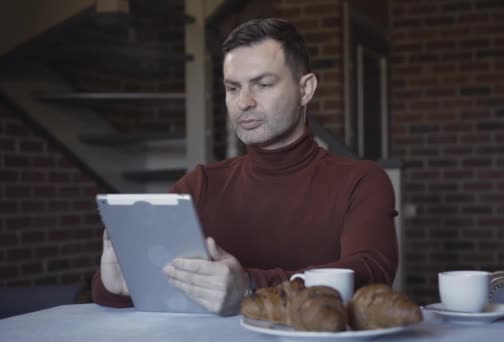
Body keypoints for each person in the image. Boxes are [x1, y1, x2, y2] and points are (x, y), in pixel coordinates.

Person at [91, 18, 398, 316]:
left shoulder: (362, 180)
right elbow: (149, 291)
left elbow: (370, 272)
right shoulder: (199, 185)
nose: (244, 102)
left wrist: (251, 285)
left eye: (262, 84)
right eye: (233, 88)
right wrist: (119, 287)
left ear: (306, 90)